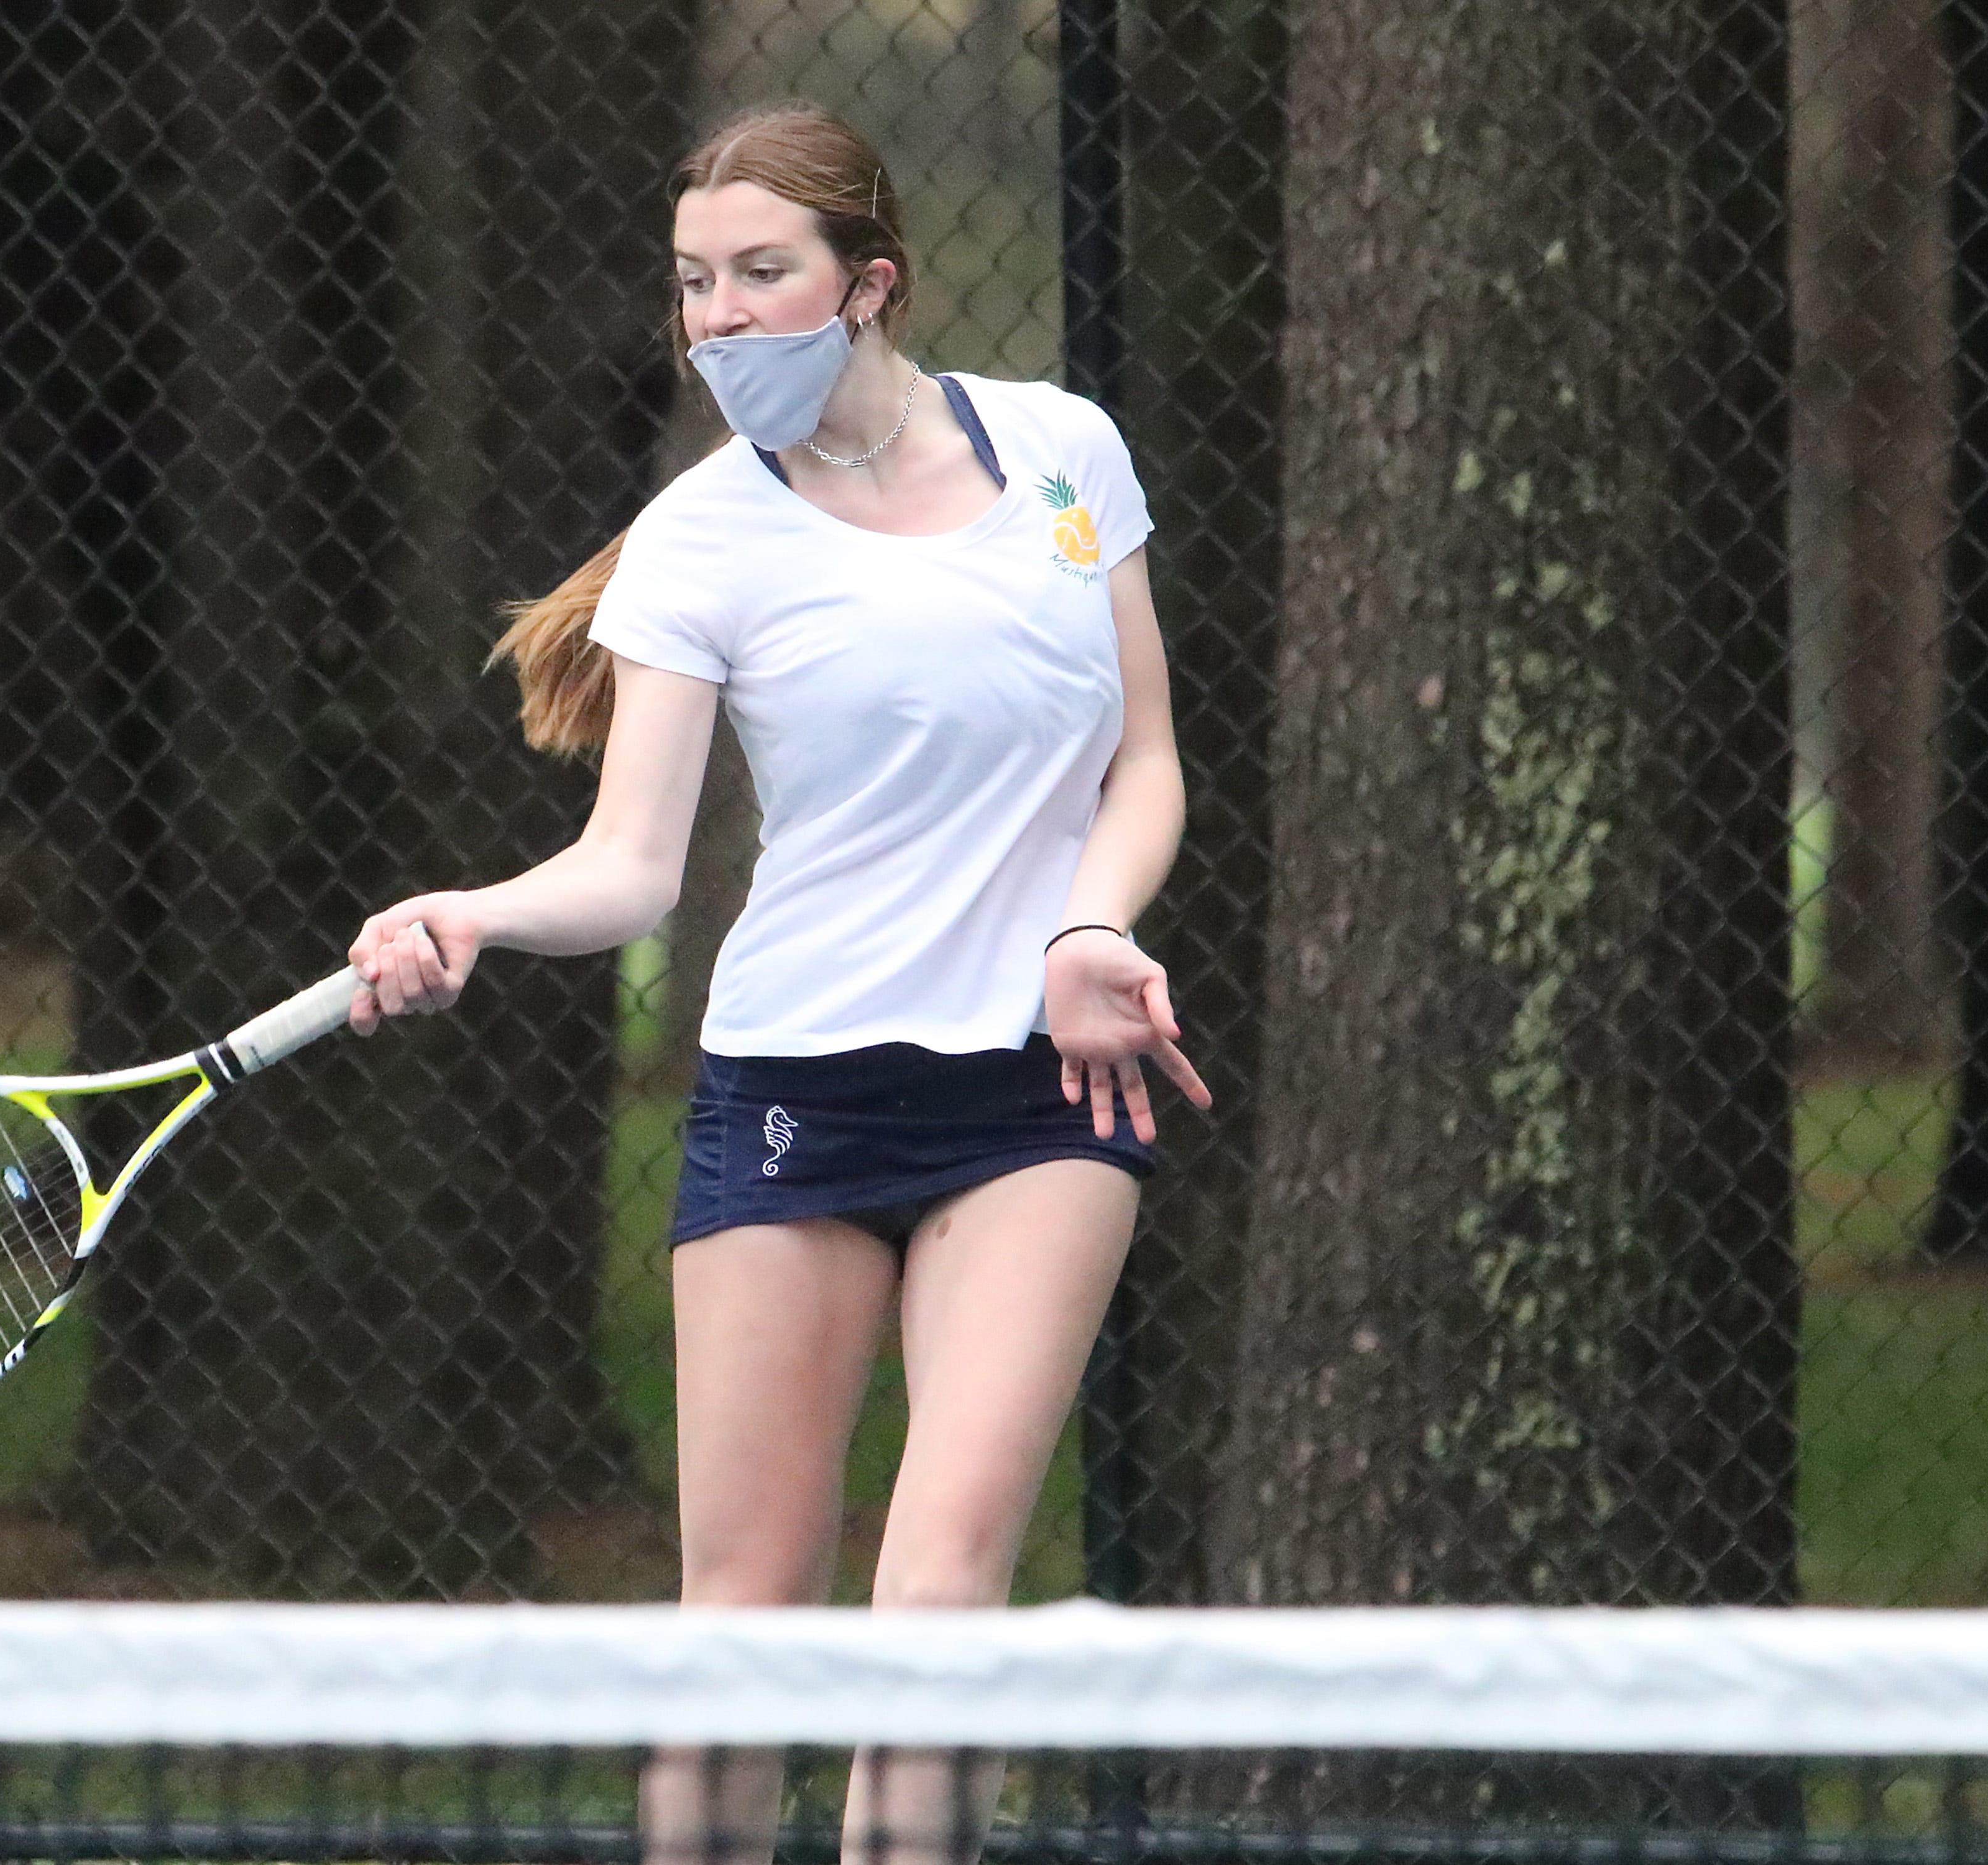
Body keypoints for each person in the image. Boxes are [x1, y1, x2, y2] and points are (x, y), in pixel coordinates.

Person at [346, 101, 1209, 1865]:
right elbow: (629, 868)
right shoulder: (700, 538)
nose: (718, 316)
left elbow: (1144, 759)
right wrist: (477, 915)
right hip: (792, 1096)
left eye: (759, 273)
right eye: (693, 283)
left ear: (868, 283)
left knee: (940, 1600)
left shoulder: (1063, 452)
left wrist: (1087, 933)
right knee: (739, 1623)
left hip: (1040, 1095)